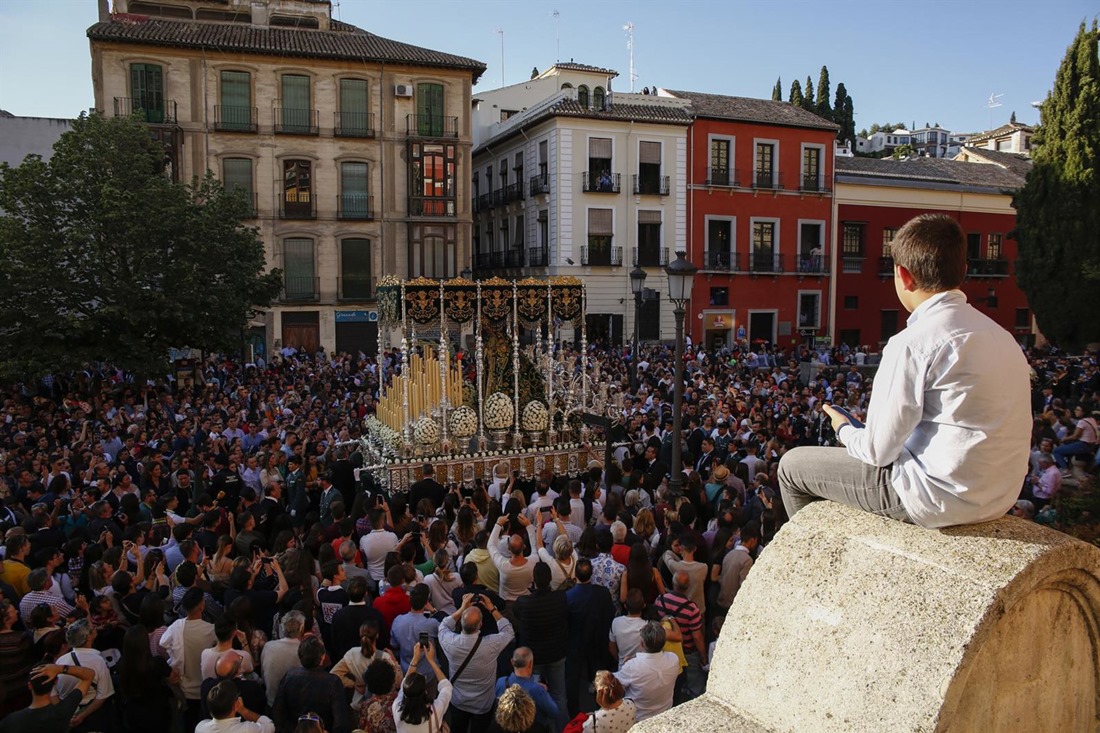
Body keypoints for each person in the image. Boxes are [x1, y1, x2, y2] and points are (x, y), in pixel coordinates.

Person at [778, 214, 1032, 528]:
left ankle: (809, 565)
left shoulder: (912, 342)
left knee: (791, 466)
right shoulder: (1002, 337)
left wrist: (844, 429)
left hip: (935, 498)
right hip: (999, 497)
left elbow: (877, 452)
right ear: (962, 272)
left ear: (904, 275)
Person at [437, 594, 515, 733]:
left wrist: (462, 608)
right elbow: (508, 631)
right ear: (481, 624)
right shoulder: (492, 644)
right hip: (483, 704)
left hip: (458, 700)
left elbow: (444, 625)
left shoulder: (450, 642)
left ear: (461, 623)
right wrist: (492, 609)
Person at [161, 586, 217, 729]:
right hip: (206, 689)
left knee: (188, 724)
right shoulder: (211, 630)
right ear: (201, 605)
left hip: (185, 688)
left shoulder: (175, 627)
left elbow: (163, 643)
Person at [273, 635, 350, 733]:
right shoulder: (333, 682)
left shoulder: (289, 675)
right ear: (322, 657)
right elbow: (340, 723)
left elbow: (278, 712)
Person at [0, 662, 97, 733]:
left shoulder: (11, 721)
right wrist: (60, 668)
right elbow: (89, 675)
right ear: (55, 682)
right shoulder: (62, 712)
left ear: (29, 685)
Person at [615, 620, 680, 721]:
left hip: (639, 718)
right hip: (665, 713)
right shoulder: (673, 659)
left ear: (642, 643)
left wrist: (625, 664)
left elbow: (613, 682)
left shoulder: (632, 667)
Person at [494, 647, 561, 732]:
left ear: (512, 662)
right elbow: (554, 711)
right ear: (530, 664)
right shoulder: (537, 690)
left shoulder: (501, 682)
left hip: (506, 728)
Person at [392, 640, 450, 733]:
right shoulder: (435, 710)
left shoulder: (397, 708)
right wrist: (431, 660)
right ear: (425, 692)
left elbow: (404, 686)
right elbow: (446, 686)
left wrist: (415, 658)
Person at [261, 610, 305, 709]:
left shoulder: (269, 646)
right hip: (295, 705)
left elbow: (264, 676)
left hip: (271, 702)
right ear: (301, 628)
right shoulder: (303, 650)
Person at [197, 678, 276, 733]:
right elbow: (270, 726)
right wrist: (244, 711)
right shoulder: (248, 729)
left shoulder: (200, 728)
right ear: (235, 705)